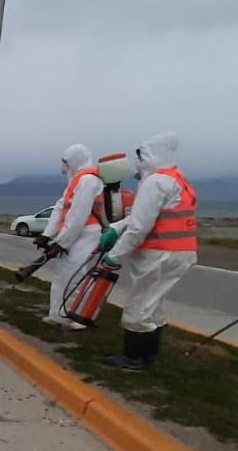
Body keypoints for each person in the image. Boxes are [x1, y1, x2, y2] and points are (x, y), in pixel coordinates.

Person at [98, 133, 196, 369]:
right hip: (178, 254)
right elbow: (141, 217)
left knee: (139, 306)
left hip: (158, 255)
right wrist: (116, 228)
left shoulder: (155, 183)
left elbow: (140, 227)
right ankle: (149, 357)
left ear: (152, 155)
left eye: (141, 156)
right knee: (153, 304)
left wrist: (113, 257)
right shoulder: (176, 180)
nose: (138, 162)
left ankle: (132, 358)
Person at [41, 145, 103, 329]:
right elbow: (60, 208)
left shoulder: (89, 181)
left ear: (76, 160)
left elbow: (78, 216)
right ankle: (58, 315)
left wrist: (62, 241)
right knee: (62, 276)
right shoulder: (76, 181)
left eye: (66, 162)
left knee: (76, 276)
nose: (63, 166)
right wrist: (47, 235)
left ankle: (78, 317)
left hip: (86, 235)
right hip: (73, 236)